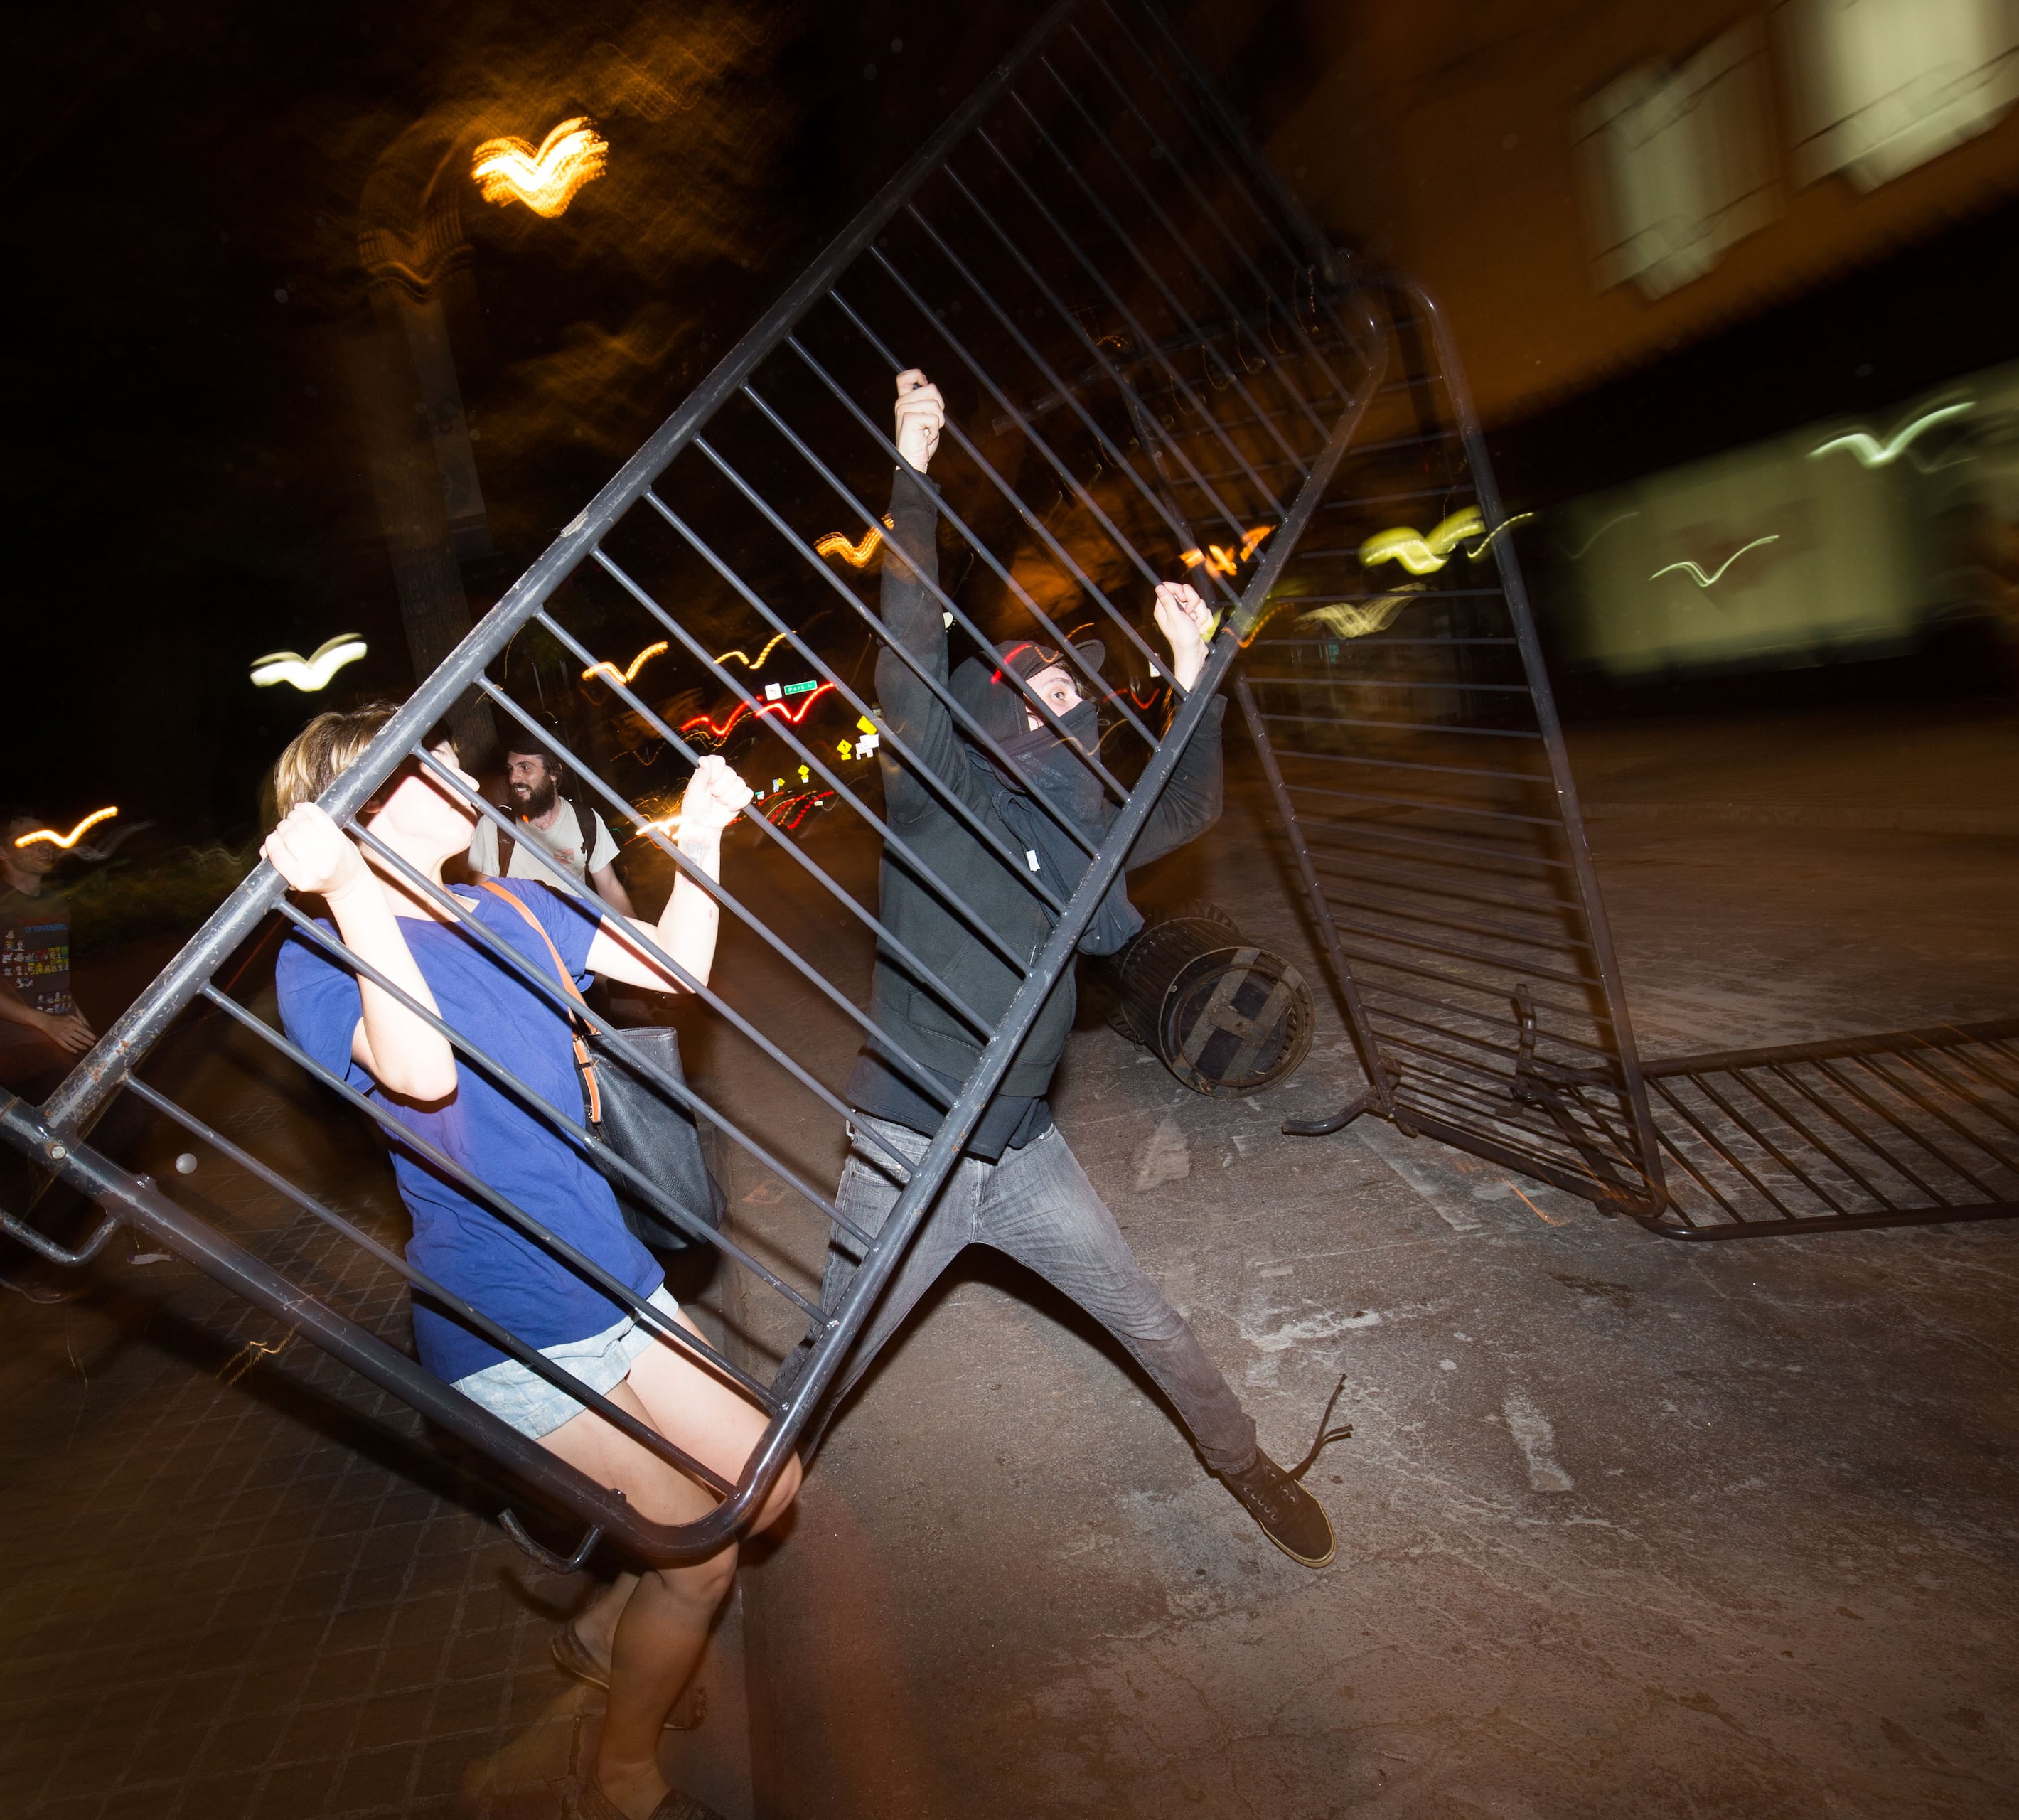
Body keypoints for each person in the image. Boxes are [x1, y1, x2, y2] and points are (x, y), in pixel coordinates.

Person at [823, 367, 1340, 1568]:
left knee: (1150, 1321)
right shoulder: (937, 800)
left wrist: (1199, 671)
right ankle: (695, 1538)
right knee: (824, 1368)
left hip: (1024, 1149)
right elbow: (909, 651)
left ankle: (1242, 1462)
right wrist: (912, 476)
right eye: (1045, 687)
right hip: (910, 1153)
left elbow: (1193, 798)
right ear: (991, 712)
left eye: (1076, 688)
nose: (1069, 700)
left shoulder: (1081, 836)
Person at [262, 703, 790, 1820]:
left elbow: (677, 968)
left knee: (767, 1488)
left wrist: (697, 839)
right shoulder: (317, 958)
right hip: (508, 1315)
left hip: (611, 1268)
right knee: (699, 1560)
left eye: (448, 750)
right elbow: (419, 1078)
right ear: (358, 806)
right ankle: (620, 1776)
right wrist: (352, 894)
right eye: (428, 762)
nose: (460, 767)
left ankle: (609, 1630)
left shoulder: (511, 898)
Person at [0, 808, 103, 1303]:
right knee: (74, 1152)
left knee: (88, 1145)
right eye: (28, 840)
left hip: (61, 1039)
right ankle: (20, 1263)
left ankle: (14, 1259)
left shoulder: (56, 903)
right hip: (22, 1048)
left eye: (45, 836)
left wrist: (82, 1029)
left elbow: (54, 980)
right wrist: (44, 1024)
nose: (45, 845)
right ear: (0, 853)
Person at [467, 715, 638, 917]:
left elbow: (609, 888)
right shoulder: (494, 826)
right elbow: (480, 902)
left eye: (525, 768)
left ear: (554, 773)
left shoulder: (587, 821)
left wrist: (638, 944)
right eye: (511, 769)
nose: (514, 778)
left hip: (577, 940)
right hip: (523, 943)